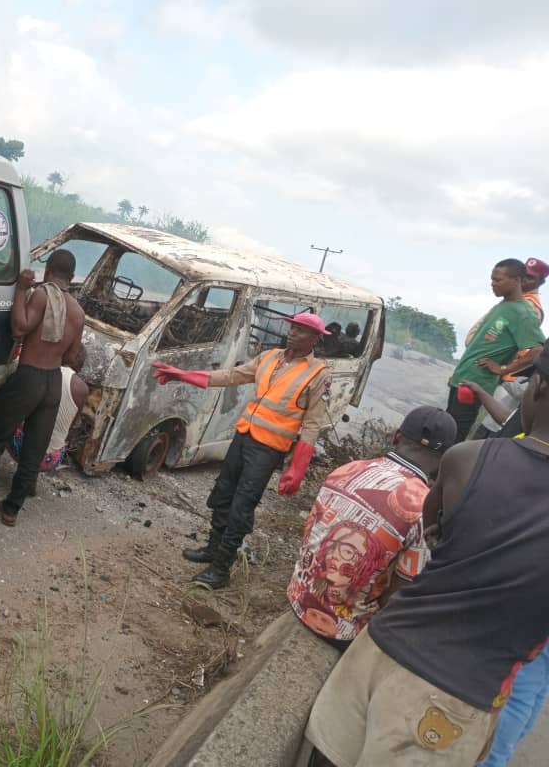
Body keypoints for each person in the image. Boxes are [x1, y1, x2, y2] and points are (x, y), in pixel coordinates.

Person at [305, 339, 549, 767]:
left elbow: (434, 532)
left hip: (379, 647)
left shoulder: (467, 458)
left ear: (540, 388)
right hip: (456, 693)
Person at [153, 312, 332, 588]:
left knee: (242, 506)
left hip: (267, 450)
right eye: (292, 327)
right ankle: (213, 549)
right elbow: (232, 376)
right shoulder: (270, 357)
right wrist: (183, 375)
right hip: (244, 436)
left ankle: (221, 568)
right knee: (223, 493)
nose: (292, 333)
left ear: (315, 339)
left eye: (301, 330)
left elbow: (312, 424)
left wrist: (296, 469)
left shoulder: (317, 373)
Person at [288, 406, 456, 651]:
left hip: (297, 595)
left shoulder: (348, 468)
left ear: (397, 436)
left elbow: (312, 531)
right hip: (343, 630)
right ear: (444, 459)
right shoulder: (424, 507)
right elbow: (402, 592)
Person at [0, 250, 84, 527]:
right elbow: (72, 357)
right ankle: (11, 511)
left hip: (28, 377)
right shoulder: (78, 311)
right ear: (72, 277)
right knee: (33, 451)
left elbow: (19, 328)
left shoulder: (41, 294)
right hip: (53, 382)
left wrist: (20, 290)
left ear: (49, 269)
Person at [447, 258, 545, 443]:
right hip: (463, 378)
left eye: (498, 280)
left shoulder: (524, 313)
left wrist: (502, 369)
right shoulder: (504, 305)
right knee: (446, 428)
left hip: (476, 384)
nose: (492, 284)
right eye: (492, 279)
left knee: (454, 436)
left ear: (516, 281)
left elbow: (537, 351)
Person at [6, 354, 89, 474]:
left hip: (19, 447)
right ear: (81, 365)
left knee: (6, 419)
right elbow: (73, 424)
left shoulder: (46, 372)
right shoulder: (83, 389)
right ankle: (30, 480)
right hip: (51, 458)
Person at [523, 256, 547, 324]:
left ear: (541, 282)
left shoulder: (529, 304)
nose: (524, 279)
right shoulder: (519, 298)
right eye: (523, 274)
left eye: (530, 277)